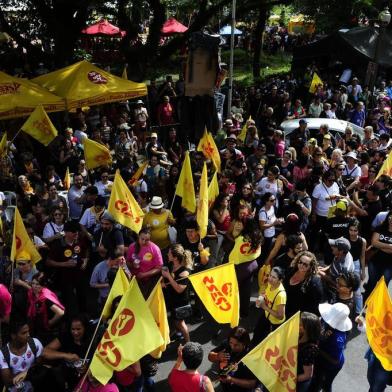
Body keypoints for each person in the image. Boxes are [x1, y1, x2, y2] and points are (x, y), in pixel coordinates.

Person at [43, 315, 92, 391]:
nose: (75, 333)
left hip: (87, 382)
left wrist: (88, 368)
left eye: (78, 329)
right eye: (73, 329)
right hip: (66, 381)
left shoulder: (93, 341)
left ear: (85, 328)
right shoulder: (65, 337)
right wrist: (65, 355)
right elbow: (45, 352)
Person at [311, 302, 352, 392]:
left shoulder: (338, 339)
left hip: (331, 365)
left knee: (326, 384)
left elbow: (335, 360)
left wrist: (319, 350)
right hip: (321, 358)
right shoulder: (326, 320)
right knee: (317, 379)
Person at [208, 327, 257, 392]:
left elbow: (252, 383)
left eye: (236, 345)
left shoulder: (251, 356)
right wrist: (217, 356)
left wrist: (231, 379)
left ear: (244, 343)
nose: (232, 347)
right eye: (231, 343)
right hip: (225, 386)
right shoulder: (227, 344)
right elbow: (210, 356)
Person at [0, 321, 44, 392]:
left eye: (28, 331)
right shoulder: (3, 354)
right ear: (13, 335)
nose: (28, 335)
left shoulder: (35, 343)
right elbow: (8, 382)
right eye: (24, 333)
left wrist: (26, 374)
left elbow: (40, 367)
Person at [162, 244, 193, 343]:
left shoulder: (185, 272)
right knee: (175, 321)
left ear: (175, 257)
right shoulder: (172, 265)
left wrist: (168, 276)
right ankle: (176, 334)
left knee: (180, 323)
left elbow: (179, 289)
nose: (167, 254)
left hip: (180, 302)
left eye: (169, 253)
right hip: (172, 300)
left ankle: (188, 342)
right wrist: (164, 281)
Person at [252, 266, 286, 346]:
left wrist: (264, 307)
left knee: (265, 343)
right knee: (256, 333)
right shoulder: (270, 284)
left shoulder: (281, 295)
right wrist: (262, 297)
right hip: (266, 315)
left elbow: (280, 316)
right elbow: (267, 296)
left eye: (274, 277)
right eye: (270, 275)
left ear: (280, 280)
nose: (270, 278)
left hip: (273, 323)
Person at [27, 272, 65, 344]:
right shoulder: (32, 292)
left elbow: (60, 313)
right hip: (37, 324)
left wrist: (50, 323)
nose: (34, 286)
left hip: (46, 330)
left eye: (37, 284)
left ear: (43, 285)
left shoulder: (46, 298)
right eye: (33, 283)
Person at [284, 251, 324, 318]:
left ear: (311, 266)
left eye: (305, 264)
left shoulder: (314, 283)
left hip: (296, 316)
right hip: (282, 308)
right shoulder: (291, 270)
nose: (301, 265)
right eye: (300, 262)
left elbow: (314, 306)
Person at [126, 227, 163, 298]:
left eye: (147, 240)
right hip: (134, 280)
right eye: (142, 239)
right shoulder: (132, 247)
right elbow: (127, 263)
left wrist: (144, 274)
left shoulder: (155, 249)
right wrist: (133, 265)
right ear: (138, 237)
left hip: (149, 281)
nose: (143, 242)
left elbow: (159, 268)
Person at [297, 312, 321, 392]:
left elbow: (307, 375)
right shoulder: (298, 335)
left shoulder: (309, 350)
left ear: (307, 330)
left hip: (299, 383)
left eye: (300, 324)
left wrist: (290, 379)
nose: (297, 325)